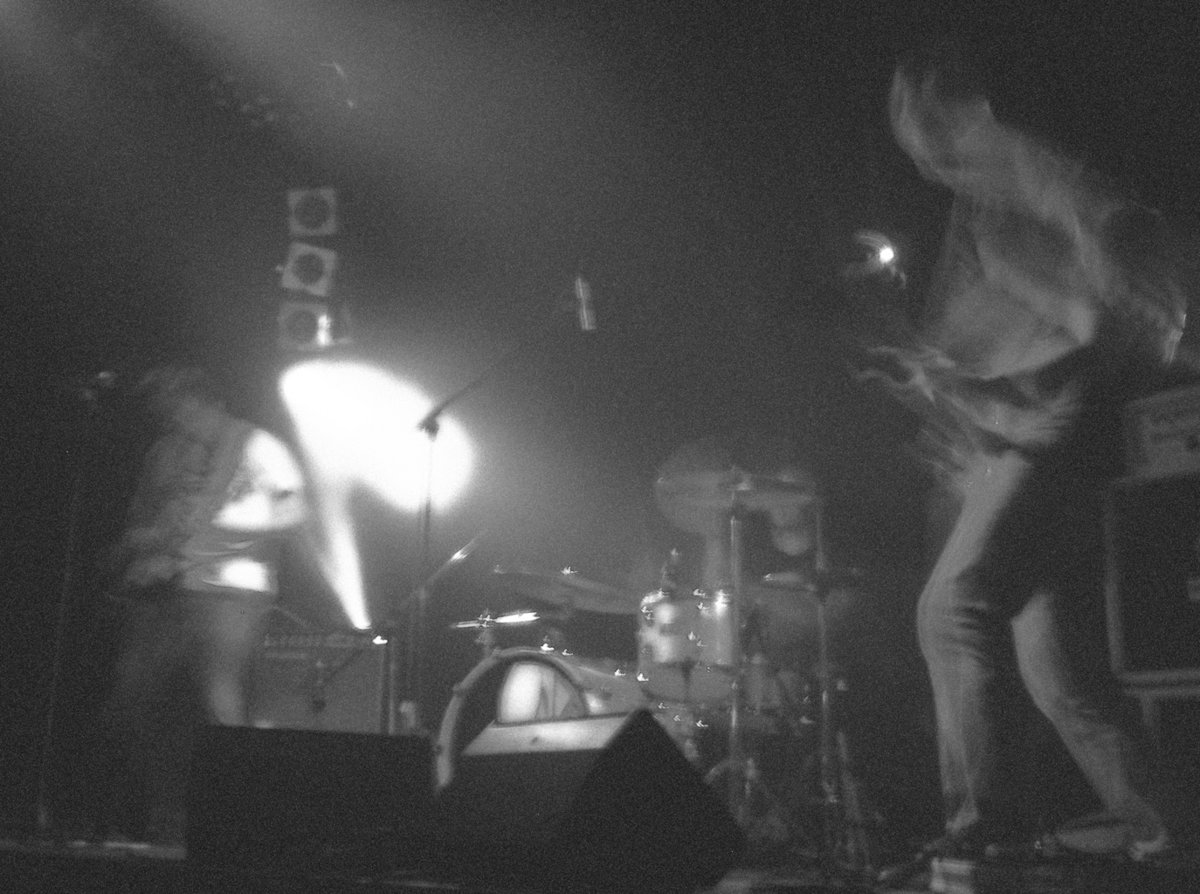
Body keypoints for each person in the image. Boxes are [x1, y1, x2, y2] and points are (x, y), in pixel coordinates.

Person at [869, 69, 1197, 862]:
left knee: (955, 610)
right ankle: (1176, 836)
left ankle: (985, 836)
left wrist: (1143, 308)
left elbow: (1104, 236)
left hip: (1056, 432)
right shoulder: (980, 203)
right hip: (1046, 433)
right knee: (1063, 671)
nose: (912, 137)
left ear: (960, 104)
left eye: (918, 112)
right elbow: (1004, 332)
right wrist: (943, 381)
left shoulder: (1006, 161)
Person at [93, 365, 308, 845]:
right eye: (165, 409)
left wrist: (228, 524)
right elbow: (142, 516)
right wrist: (141, 546)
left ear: (207, 401)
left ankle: (233, 821)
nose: (172, 416)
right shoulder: (166, 451)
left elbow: (294, 511)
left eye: (179, 405)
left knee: (219, 702)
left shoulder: (258, 445)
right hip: (165, 589)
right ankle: (166, 814)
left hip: (231, 593)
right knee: (133, 700)